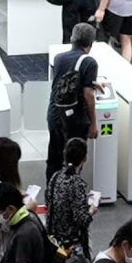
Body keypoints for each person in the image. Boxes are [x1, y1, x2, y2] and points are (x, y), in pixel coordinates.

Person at [47, 23, 99, 181]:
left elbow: (66, 81)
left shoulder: (59, 58)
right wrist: (93, 123)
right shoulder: (90, 62)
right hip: (75, 119)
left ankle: (53, 194)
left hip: (55, 114)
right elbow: (88, 94)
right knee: (74, 160)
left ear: (72, 38)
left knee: (54, 157)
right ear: (90, 43)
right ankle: (70, 193)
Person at [46, 138, 96, 255]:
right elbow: (82, 219)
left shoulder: (55, 176)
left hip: (54, 239)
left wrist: (81, 197)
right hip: (71, 243)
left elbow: (53, 201)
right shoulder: (76, 182)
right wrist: (91, 210)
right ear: (84, 158)